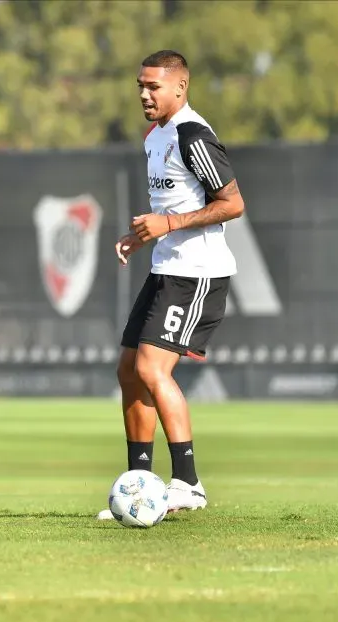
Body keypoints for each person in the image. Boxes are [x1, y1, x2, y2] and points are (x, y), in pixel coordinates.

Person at [100, 50, 245, 520]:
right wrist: (142, 235)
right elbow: (170, 208)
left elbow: (232, 203)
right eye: (140, 85)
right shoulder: (154, 136)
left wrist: (168, 224)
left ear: (180, 88)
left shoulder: (191, 134)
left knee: (151, 369)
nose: (144, 94)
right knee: (128, 370)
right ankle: (139, 484)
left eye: (154, 87)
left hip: (198, 272)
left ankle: (188, 483)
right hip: (166, 268)